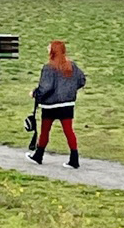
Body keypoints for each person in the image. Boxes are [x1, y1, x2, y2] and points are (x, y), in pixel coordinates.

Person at [27, 40, 87, 168]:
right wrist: (70, 90)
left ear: (53, 51)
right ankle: (74, 158)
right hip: (67, 104)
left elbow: (46, 88)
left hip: (51, 105)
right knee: (69, 131)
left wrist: (35, 93)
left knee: (45, 130)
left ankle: (39, 155)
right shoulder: (72, 66)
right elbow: (82, 80)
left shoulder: (48, 68)